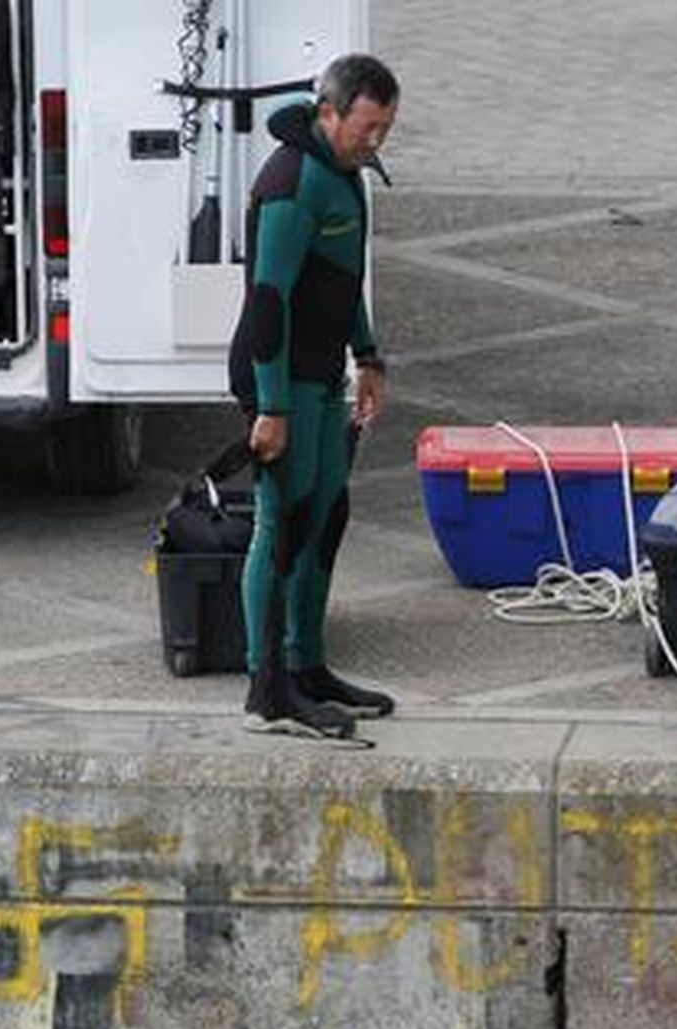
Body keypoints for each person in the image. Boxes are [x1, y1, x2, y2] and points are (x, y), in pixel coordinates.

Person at [228, 53, 400, 740]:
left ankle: (309, 666)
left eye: (386, 127)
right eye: (368, 126)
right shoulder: (292, 183)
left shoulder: (345, 173)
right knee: (284, 524)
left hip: (322, 373)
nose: (377, 140)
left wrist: (368, 356)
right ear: (329, 112)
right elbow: (268, 302)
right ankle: (266, 688)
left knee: (327, 513)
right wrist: (271, 407)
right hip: (280, 380)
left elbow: (341, 279)